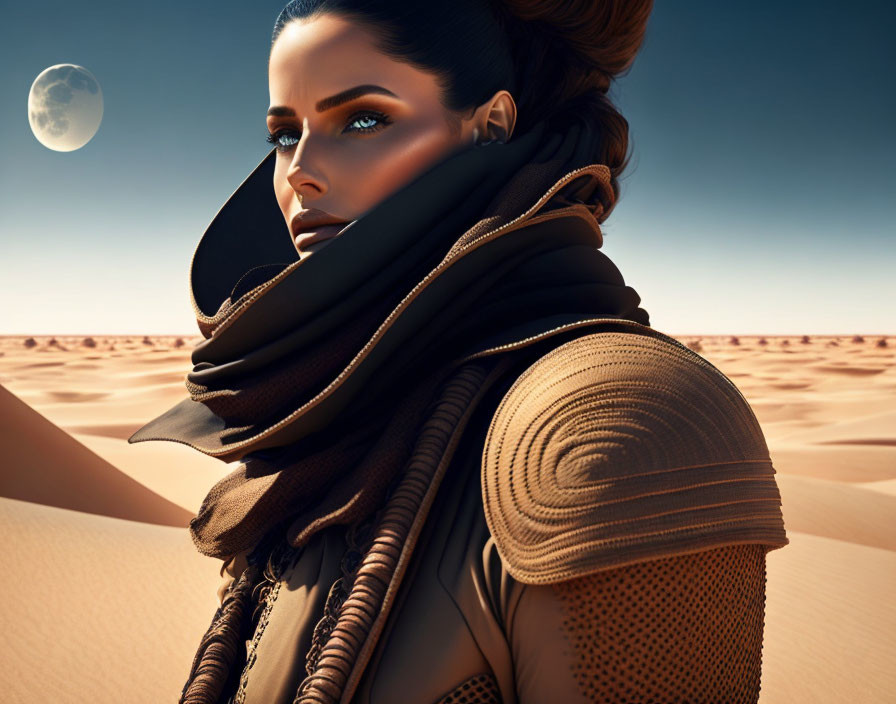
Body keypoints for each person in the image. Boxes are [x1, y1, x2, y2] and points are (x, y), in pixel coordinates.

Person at [129, 1, 789, 702]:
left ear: (489, 126)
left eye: (360, 119)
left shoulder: (614, 424)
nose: (301, 172)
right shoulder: (323, 409)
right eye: (286, 133)